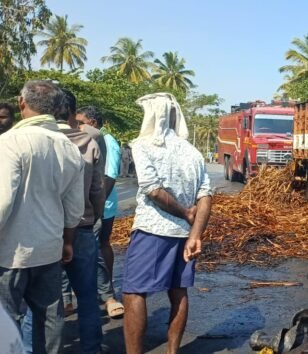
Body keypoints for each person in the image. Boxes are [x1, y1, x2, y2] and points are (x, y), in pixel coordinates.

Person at [123, 93, 212, 354]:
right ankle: (173, 351)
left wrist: (185, 213)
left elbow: (152, 189)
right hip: (184, 235)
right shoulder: (192, 151)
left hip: (153, 230)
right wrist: (195, 234)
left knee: (133, 293)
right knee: (178, 291)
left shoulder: (142, 145)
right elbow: (205, 195)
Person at [0, 80, 84, 353]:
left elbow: (3, 201)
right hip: (49, 248)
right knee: (49, 318)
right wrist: (68, 241)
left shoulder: (10, 141)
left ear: (22, 103)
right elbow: (74, 208)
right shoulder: (69, 147)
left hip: (10, 253)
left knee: (6, 322)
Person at [21, 89, 105, 354]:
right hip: (81, 229)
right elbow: (97, 189)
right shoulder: (88, 142)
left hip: (42, 231)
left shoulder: (31, 140)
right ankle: (91, 349)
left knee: (40, 303)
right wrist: (95, 217)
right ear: (71, 113)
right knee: (88, 297)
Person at [77, 106, 125, 318]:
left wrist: (97, 206)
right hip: (92, 204)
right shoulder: (86, 138)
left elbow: (110, 176)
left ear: (93, 123)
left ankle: (106, 291)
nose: (78, 125)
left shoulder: (108, 141)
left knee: (99, 245)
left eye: (81, 121)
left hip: (103, 204)